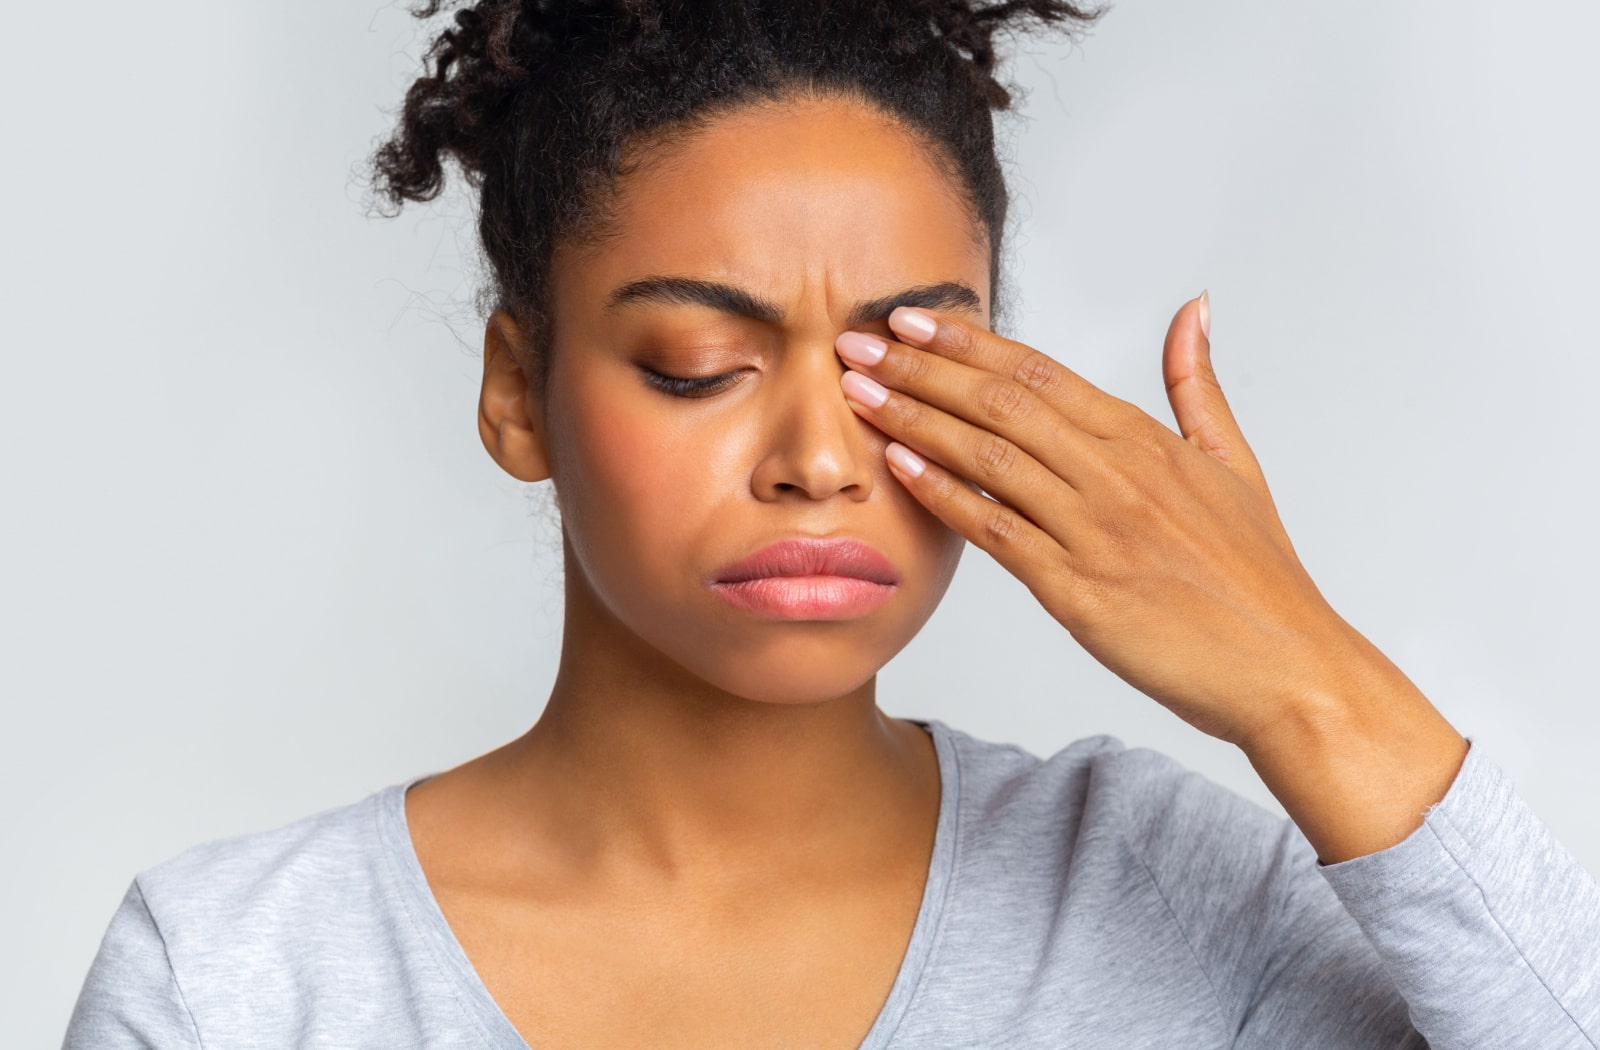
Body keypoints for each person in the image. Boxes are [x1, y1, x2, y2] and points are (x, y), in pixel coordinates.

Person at [62, 1, 1599, 1047]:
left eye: (902, 366)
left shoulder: (1173, 897)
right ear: (519, 393)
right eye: (698, 364)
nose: (815, 456)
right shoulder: (238, 976)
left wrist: (1307, 680)